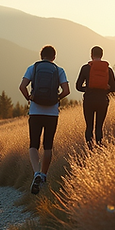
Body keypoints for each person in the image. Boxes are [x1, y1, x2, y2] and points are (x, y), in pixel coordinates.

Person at [18, 45, 70, 194]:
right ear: (54, 57)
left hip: (35, 111)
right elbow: (67, 90)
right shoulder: (59, 70)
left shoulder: (33, 68)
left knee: (33, 144)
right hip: (52, 113)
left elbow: (22, 86)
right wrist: (56, 98)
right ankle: (44, 176)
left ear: (41, 56)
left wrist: (29, 98)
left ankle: (36, 173)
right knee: (48, 145)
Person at [75, 45, 115, 149]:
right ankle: (99, 148)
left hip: (89, 100)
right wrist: (105, 88)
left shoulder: (85, 68)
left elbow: (78, 86)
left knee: (89, 126)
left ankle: (90, 149)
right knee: (99, 127)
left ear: (91, 55)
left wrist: (89, 88)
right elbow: (114, 88)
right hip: (102, 101)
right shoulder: (108, 69)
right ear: (102, 55)